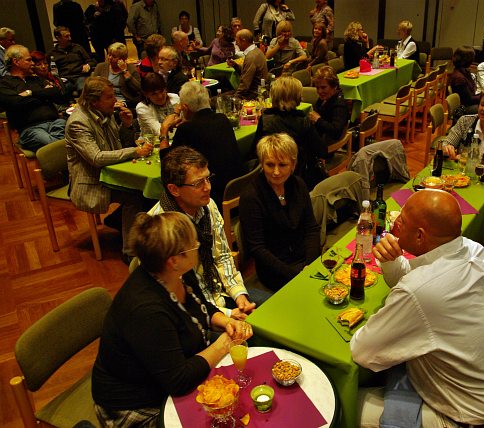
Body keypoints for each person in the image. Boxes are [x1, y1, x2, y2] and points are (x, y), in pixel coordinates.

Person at [352, 189, 484, 427]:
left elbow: (363, 352)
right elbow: (415, 278)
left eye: (402, 221)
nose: (395, 226)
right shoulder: (474, 249)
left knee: (344, 402)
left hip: (462, 413)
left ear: (420, 236)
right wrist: (390, 261)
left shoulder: (420, 291)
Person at [91, 211, 253, 426]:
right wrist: (222, 345)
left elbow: (199, 306)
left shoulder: (174, 272)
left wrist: (225, 321)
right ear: (174, 260)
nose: (197, 246)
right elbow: (178, 381)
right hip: (136, 404)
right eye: (193, 245)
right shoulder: (146, 311)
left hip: (171, 372)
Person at [149, 146, 266, 318]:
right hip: (196, 313)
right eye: (198, 183)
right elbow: (178, 295)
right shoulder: (160, 228)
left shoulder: (208, 205)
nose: (208, 187)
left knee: (277, 307)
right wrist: (227, 314)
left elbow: (222, 256)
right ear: (174, 189)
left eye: (208, 178)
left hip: (221, 293)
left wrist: (240, 295)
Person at [66, 76, 152, 258]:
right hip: (91, 182)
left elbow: (117, 145)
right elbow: (96, 158)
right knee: (135, 195)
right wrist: (135, 152)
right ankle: (130, 252)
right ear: (94, 101)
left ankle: (118, 221)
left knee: (147, 190)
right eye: (110, 97)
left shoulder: (105, 112)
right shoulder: (78, 123)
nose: (115, 100)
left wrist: (127, 125)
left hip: (111, 173)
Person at [240, 133, 321, 291]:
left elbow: (311, 228)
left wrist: (310, 264)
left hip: (304, 261)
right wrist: (295, 275)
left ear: (293, 164)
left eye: (282, 165)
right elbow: (258, 249)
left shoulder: (299, 184)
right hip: (275, 270)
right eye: (270, 165)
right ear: (262, 164)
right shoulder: (251, 196)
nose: (276, 172)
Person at [159, 81, 243, 209]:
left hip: (210, 196)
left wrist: (164, 131)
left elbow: (167, 164)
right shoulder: (222, 119)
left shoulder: (186, 130)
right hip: (235, 190)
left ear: (185, 108)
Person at [253, 76, 327, 189]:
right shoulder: (302, 120)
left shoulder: (265, 119)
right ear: (297, 97)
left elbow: (255, 150)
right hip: (299, 178)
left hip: (271, 179)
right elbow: (322, 151)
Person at [0, 45, 67, 151]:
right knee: (59, 144)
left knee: (76, 133)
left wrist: (30, 93)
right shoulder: (4, 84)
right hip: (31, 129)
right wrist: (44, 95)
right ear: (16, 62)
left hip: (56, 122)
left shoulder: (37, 80)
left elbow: (58, 94)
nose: (32, 63)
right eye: (28, 60)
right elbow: (16, 103)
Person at [47, 26, 96, 96]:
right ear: (58, 38)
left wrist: (88, 65)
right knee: (59, 92)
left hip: (80, 76)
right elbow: (50, 70)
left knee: (83, 89)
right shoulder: (52, 54)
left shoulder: (77, 48)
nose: (70, 38)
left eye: (69, 35)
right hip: (65, 79)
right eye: (66, 36)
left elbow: (91, 61)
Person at [92, 42, 142, 107]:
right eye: (109, 55)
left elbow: (138, 89)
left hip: (123, 102)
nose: (110, 58)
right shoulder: (100, 67)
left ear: (123, 59)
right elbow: (92, 86)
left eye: (114, 56)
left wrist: (125, 71)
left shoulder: (131, 69)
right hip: (103, 101)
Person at [308, 65, 349, 146]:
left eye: (323, 87)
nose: (319, 91)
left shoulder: (339, 105)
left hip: (326, 144)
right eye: (317, 88)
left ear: (334, 86)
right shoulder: (326, 97)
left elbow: (336, 132)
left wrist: (318, 120)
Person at [228, 29, 269, 99]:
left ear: (243, 41)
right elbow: (248, 72)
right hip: (258, 91)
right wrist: (235, 65)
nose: (236, 44)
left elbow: (245, 85)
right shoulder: (257, 51)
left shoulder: (251, 57)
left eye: (237, 41)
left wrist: (235, 99)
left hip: (254, 94)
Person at [450, 45, 480, 114]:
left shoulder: (463, 71)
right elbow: (469, 100)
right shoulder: (459, 78)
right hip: (463, 109)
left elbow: (472, 91)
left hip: (468, 104)